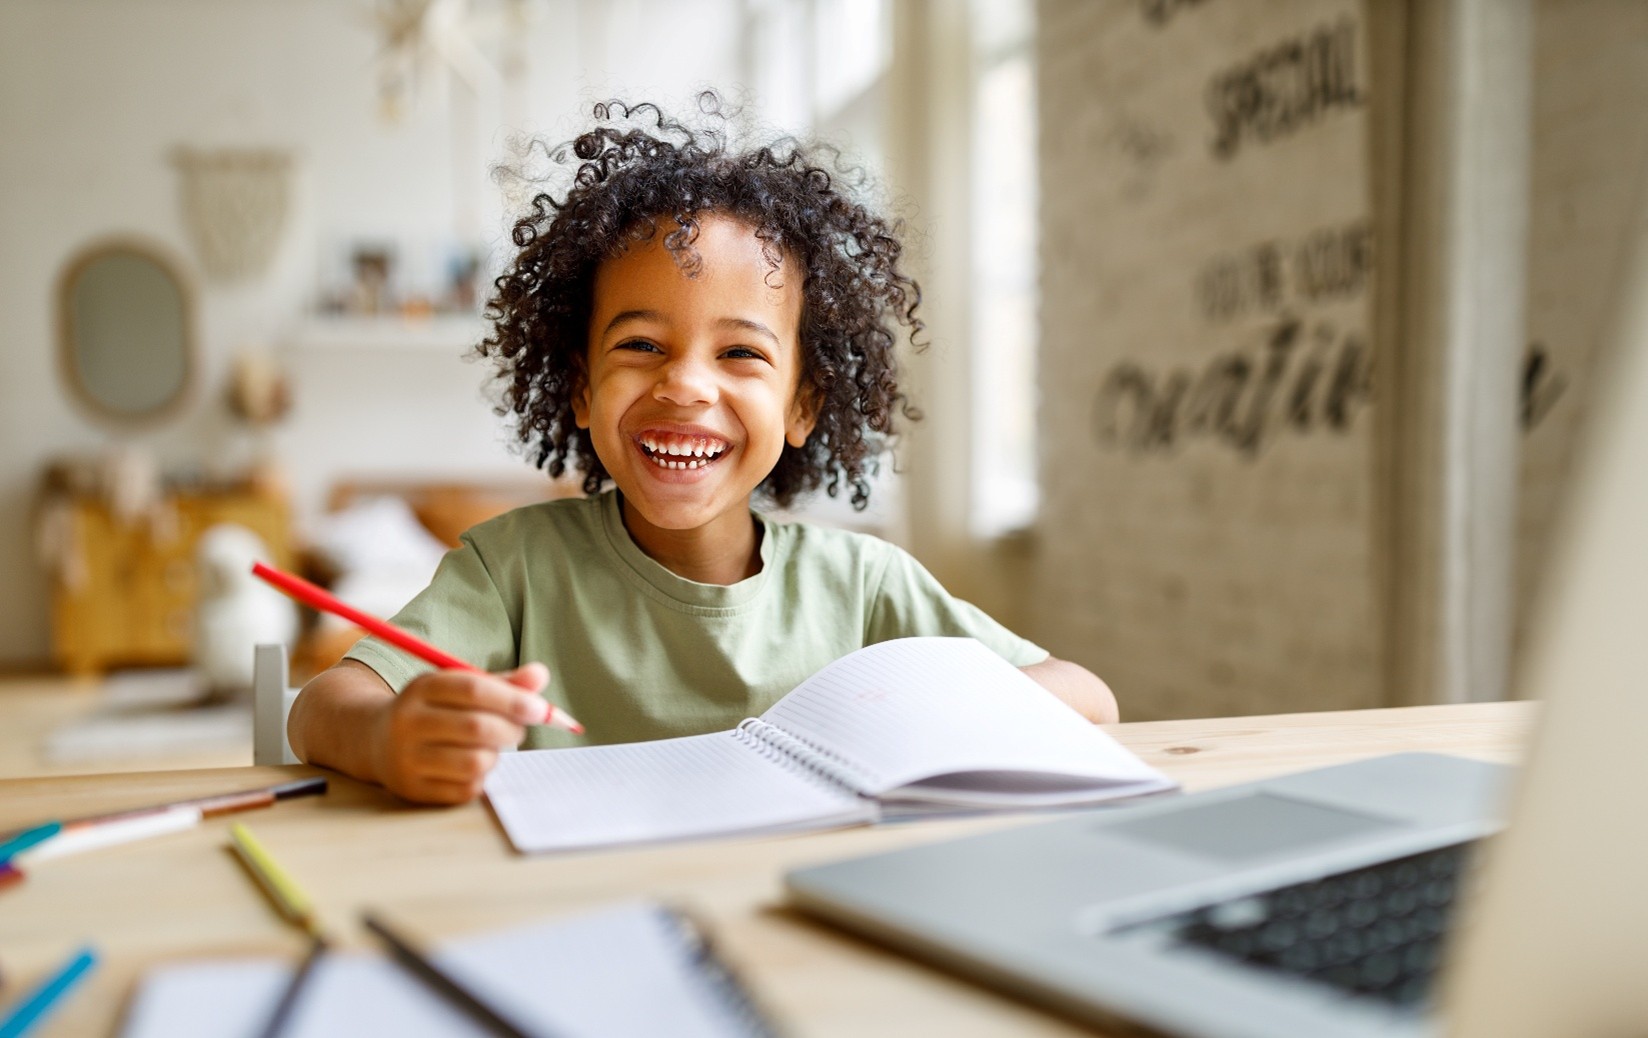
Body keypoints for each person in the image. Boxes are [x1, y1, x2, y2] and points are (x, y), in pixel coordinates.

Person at [288, 96, 1118, 805]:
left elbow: (1088, 700)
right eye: (642, 345)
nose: (685, 386)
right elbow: (322, 704)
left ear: (802, 406)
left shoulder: (866, 586)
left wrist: (914, 716)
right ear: (581, 388)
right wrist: (387, 735)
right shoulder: (513, 571)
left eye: (741, 354)